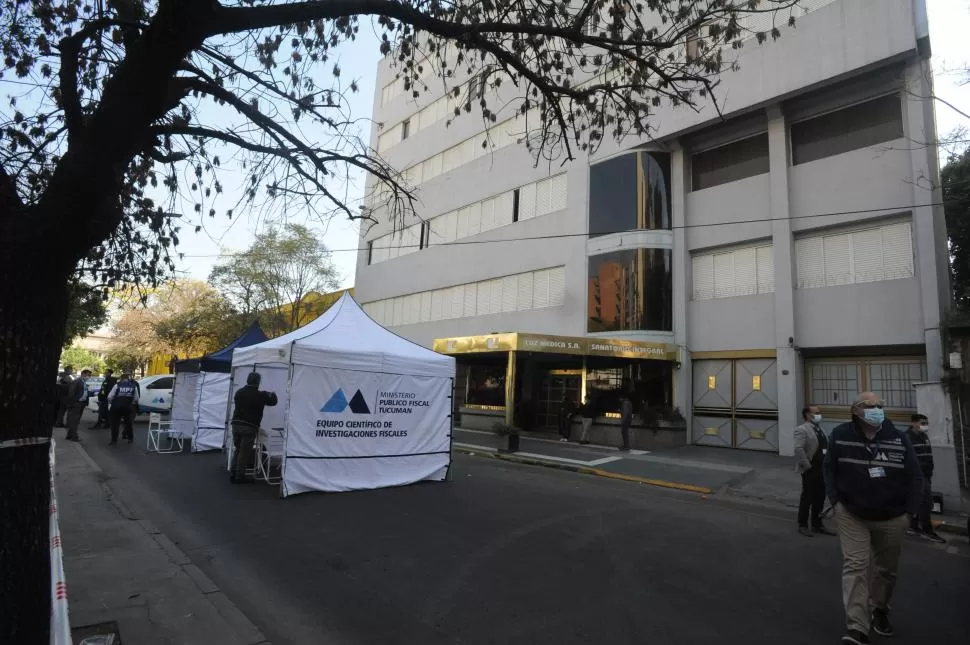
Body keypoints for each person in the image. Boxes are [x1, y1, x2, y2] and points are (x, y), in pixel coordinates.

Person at [823, 392, 924, 644]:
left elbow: (915, 477)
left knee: (886, 570)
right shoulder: (840, 435)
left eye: (880, 405)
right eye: (870, 406)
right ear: (855, 410)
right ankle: (857, 627)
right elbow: (829, 468)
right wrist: (835, 502)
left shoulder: (899, 439)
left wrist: (909, 512)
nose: (877, 409)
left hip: (893, 516)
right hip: (852, 513)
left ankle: (880, 608)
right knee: (855, 565)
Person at [230, 372, 278, 483]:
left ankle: (234, 470)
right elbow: (273, 402)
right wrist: (272, 394)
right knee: (244, 451)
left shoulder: (239, 392)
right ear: (258, 382)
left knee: (238, 449)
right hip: (249, 426)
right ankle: (240, 476)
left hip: (236, 424)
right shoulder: (260, 395)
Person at [794, 405, 834, 537]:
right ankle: (803, 524)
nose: (818, 415)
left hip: (822, 468)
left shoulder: (820, 429)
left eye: (819, 412)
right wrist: (807, 465)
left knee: (820, 497)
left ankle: (817, 524)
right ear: (807, 415)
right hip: (810, 468)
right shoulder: (802, 429)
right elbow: (799, 449)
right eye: (816, 413)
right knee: (807, 497)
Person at [905, 414, 946, 544]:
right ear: (914, 423)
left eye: (926, 423)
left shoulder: (924, 436)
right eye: (922, 423)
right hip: (917, 475)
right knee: (926, 502)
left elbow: (928, 455)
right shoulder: (907, 437)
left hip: (926, 474)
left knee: (919, 502)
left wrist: (930, 470)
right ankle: (928, 531)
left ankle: (912, 527)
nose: (925, 425)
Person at [108, 372, 140, 445]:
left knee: (115, 424)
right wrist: (130, 403)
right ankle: (130, 439)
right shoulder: (133, 386)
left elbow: (109, 397)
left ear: (121, 379)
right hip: (128, 408)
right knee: (128, 424)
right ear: (128, 379)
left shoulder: (117, 385)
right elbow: (136, 399)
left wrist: (112, 403)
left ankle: (114, 440)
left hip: (116, 408)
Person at [64, 369, 91, 442]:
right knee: (74, 421)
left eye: (89, 375)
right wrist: (72, 402)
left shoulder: (83, 382)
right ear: (83, 374)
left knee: (76, 420)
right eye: (87, 375)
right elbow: (71, 393)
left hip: (81, 403)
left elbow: (83, 392)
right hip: (76, 403)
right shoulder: (77, 381)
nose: (88, 377)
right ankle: (74, 436)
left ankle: (69, 435)